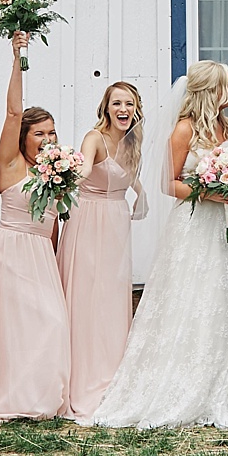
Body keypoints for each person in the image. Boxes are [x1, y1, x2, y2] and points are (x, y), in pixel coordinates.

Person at [89, 61, 228, 429]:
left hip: (225, 228)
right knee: (190, 299)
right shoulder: (184, 131)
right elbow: (167, 183)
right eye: (227, 85)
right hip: (193, 226)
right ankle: (179, 385)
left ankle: (223, 382)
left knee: (222, 301)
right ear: (212, 91)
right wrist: (209, 192)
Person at [0, 32, 70, 423]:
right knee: (12, 330)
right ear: (24, 137)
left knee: (49, 322)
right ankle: (13, 400)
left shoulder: (57, 169)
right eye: (39, 133)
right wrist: (18, 57)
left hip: (40, 255)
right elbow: (13, 112)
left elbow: (55, 222)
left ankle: (37, 397)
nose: (47, 139)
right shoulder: (12, 164)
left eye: (52, 132)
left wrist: (57, 258)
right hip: (9, 251)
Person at [60, 79, 143, 420]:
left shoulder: (133, 142)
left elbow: (126, 174)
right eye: (117, 103)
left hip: (116, 223)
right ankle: (83, 378)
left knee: (111, 299)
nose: (123, 109)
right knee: (86, 297)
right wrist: (64, 177)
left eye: (129, 104)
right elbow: (83, 170)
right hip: (89, 220)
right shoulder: (94, 138)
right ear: (106, 108)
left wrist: (142, 191)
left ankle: (113, 373)